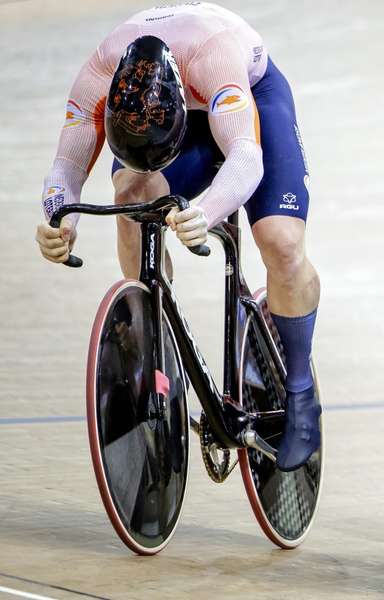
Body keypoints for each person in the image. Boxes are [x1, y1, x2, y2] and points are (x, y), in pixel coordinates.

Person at [33, 2, 320, 471]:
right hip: (173, 112)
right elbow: (65, 167)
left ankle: (302, 392)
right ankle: (154, 342)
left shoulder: (213, 54)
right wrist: (58, 218)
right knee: (131, 194)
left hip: (248, 95)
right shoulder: (100, 73)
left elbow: (247, 158)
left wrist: (205, 212)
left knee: (281, 241)